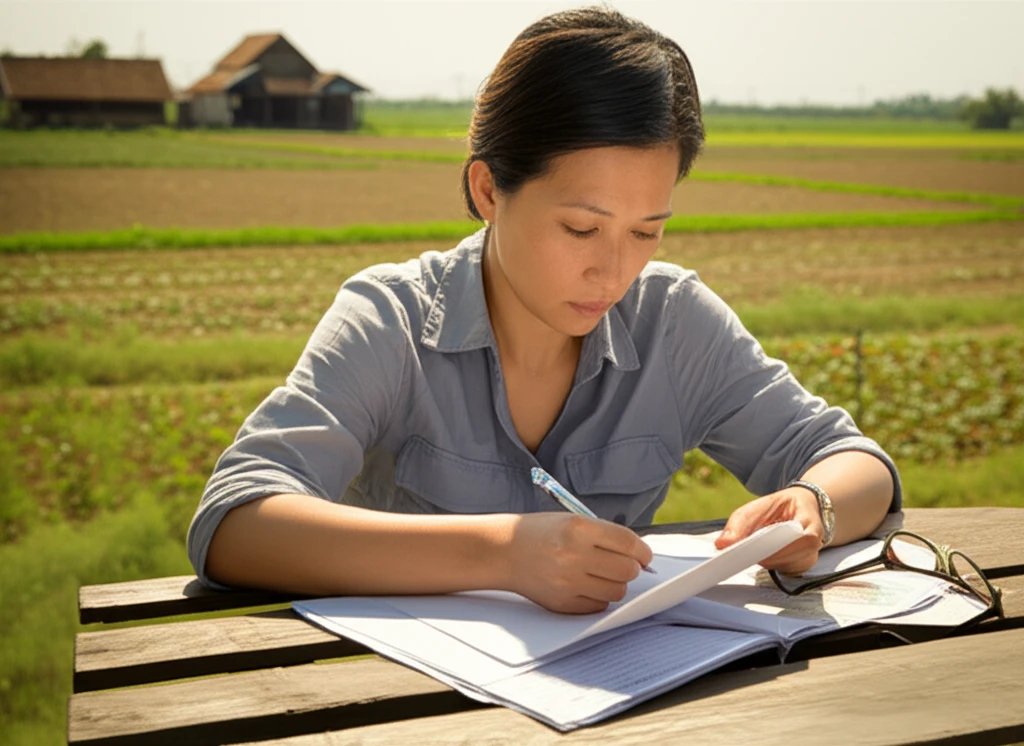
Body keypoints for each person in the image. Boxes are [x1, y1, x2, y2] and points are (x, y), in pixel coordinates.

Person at [187, 5, 900, 614]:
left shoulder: (673, 321)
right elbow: (234, 523)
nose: (614, 269)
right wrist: (499, 554)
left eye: (647, 231)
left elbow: (857, 464)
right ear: (490, 190)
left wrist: (814, 506)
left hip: (622, 696)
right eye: (581, 229)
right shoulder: (391, 321)